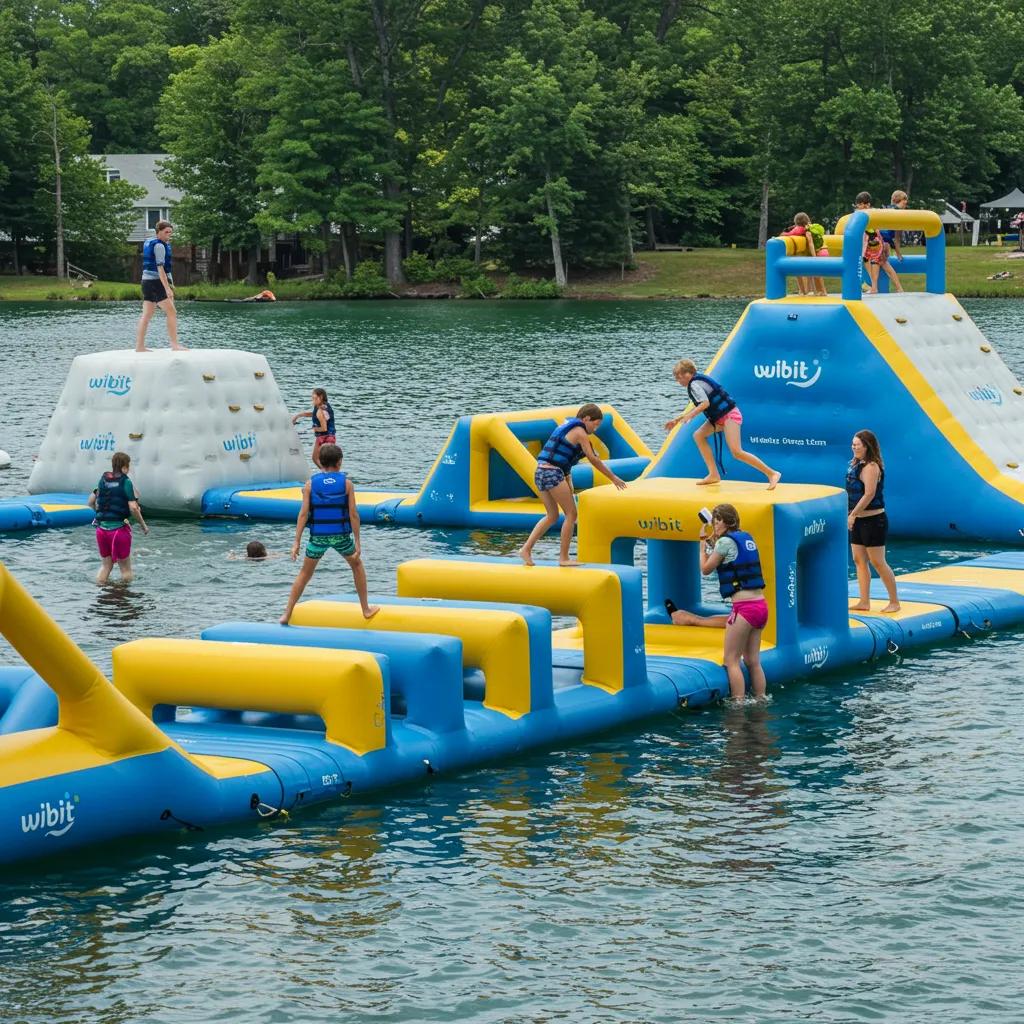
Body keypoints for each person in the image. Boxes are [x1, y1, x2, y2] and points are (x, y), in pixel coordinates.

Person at [280, 443, 379, 624]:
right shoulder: (347, 484)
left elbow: (303, 514)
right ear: (339, 462)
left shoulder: (310, 485)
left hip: (318, 537)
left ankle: (286, 614)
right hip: (341, 536)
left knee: (304, 573)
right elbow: (353, 514)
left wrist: (296, 542)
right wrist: (357, 541)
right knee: (357, 566)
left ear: (320, 462)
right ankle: (365, 609)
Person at [517, 403, 627, 567]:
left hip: (540, 472)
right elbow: (593, 459)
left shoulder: (566, 427)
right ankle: (563, 558)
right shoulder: (580, 432)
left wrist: (568, 483)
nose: (595, 429)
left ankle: (526, 549)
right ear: (586, 418)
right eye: (595, 425)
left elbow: (564, 461)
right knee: (571, 515)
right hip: (552, 473)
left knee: (552, 516)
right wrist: (613, 478)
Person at [685, 503, 769, 701]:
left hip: (744, 609)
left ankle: (738, 705)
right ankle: (761, 698)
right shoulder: (746, 537)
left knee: (731, 660)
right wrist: (714, 540)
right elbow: (729, 554)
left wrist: (701, 545)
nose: (714, 524)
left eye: (717, 521)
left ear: (727, 522)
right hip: (760, 606)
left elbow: (705, 569)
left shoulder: (724, 543)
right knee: (753, 660)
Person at [666, 359, 781, 489]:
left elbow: (705, 404)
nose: (678, 381)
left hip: (729, 416)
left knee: (737, 452)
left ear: (686, 374)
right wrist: (677, 419)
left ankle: (772, 473)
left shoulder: (694, 385)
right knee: (698, 435)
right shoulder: (697, 382)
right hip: (720, 417)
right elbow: (698, 403)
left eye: (678, 377)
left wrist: (689, 416)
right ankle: (713, 474)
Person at [847, 429, 900, 613]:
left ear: (867, 446)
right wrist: (851, 514)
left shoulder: (871, 466)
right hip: (859, 521)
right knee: (859, 560)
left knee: (878, 561)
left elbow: (869, 494)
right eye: (853, 444)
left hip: (874, 521)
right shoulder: (856, 465)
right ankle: (864, 601)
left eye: (857, 445)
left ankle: (894, 601)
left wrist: (852, 514)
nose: (854, 447)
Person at [86, 451, 149, 585]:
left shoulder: (103, 479)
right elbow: (133, 507)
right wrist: (143, 525)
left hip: (101, 530)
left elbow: (90, 501)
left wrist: (101, 514)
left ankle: (101, 593)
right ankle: (125, 597)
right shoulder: (125, 482)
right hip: (118, 531)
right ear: (125, 467)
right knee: (125, 569)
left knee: (106, 566)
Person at [135, 221, 186, 352]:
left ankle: (139, 347)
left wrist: (171, 283)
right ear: (158, 232)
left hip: (146, 282)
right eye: (166, 232)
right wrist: (167, 289)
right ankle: (175, 345)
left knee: (146, 314)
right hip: (156, 283)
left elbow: (165, 270)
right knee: (172, 312)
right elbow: (160, 269)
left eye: (170, 232)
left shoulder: (151, 242)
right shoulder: (159, 246)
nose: (169, 234)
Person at [855, 192, 903, 294]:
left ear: (867, 204)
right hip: (871, 242)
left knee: (876, 263)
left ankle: (875, 287)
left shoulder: (869, 212)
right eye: (858, 205)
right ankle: (897, 288)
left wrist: (885, 243)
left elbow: (876, 230)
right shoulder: (862, 213)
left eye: (862, 204)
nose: (859, 207)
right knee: (881, 264)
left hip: (875, 242)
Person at [292, 388, 336, 469]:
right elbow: (315, 414)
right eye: (312, 399)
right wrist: (299, 415)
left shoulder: (321, 410)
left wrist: (315, 429)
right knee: (315, 458)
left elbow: (324, 428)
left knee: (323, 460)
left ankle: (327, 474)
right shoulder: (323, 406)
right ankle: (326, 473)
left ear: (321, 397)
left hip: (326, 438)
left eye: (315, 398)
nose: (313, 401)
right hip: (324, 437)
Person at [779, 212, 815, 296]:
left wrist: (783, 234)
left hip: (798, 255)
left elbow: (790, 234)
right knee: (809, 273)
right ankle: (808, 290)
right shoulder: (808, 228)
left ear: (796, 221)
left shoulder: (798, 229)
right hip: (807, 254)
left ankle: (802, 291)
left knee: (798, 273)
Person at [880, 190, 908, 262]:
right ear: (898, 200)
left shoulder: (890, 209)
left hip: (884, 238)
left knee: (885, 257)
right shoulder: (898, 213)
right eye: (904, 200)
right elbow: (897, 237)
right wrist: (898, 254)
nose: (906, 202)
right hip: (882, 237)